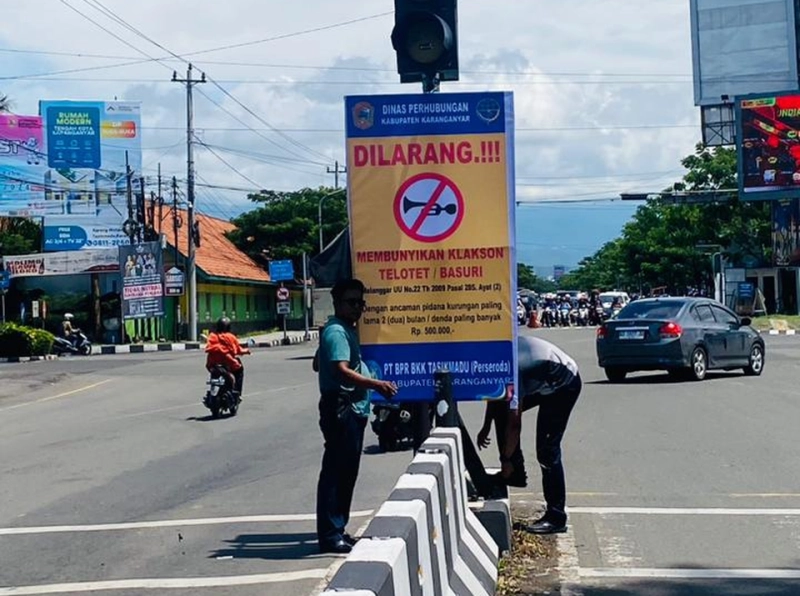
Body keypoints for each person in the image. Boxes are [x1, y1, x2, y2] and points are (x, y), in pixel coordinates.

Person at [315, 278, 398, 554]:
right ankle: (330, 534)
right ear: (337, 303)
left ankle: (338, 528)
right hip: (342, 407)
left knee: (347, 471)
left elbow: (319, 364)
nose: (357, 308)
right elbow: (340, 369)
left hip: (352, 406)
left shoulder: (343, 330)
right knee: (337, 471)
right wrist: (377, 385)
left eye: (360, 303)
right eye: (351, 302)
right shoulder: (337, 332)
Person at [477, 335, 582, 534]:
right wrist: (486, 425)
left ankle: (556, 516)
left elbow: (515, 424)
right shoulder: (498, 359)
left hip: (564, 385)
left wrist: (505, 458)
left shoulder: (515, 370)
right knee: (502, 411)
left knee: (547, 451)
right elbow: (497, 395)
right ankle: (515, 474)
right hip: (541, 378)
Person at [205, 317, 250, 398]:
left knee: (213, 372)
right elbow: (238, 350)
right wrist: (246, 351)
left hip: (212, 364)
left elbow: (208, 347)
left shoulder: (212, 336)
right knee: (239, 369)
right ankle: (237, 393)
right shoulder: (231, 337)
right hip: (228, 363)